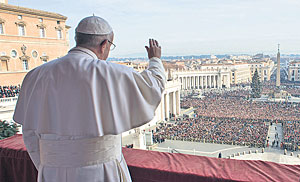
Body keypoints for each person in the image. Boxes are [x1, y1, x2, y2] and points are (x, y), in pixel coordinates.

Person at [13, 16, 166, 182]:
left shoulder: (35, 75)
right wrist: (155, 60)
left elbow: (29, 134)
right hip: (102, 172)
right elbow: (153, 86)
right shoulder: (111, 73)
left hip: (52, 172)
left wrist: (51, 166)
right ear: (104, 45)